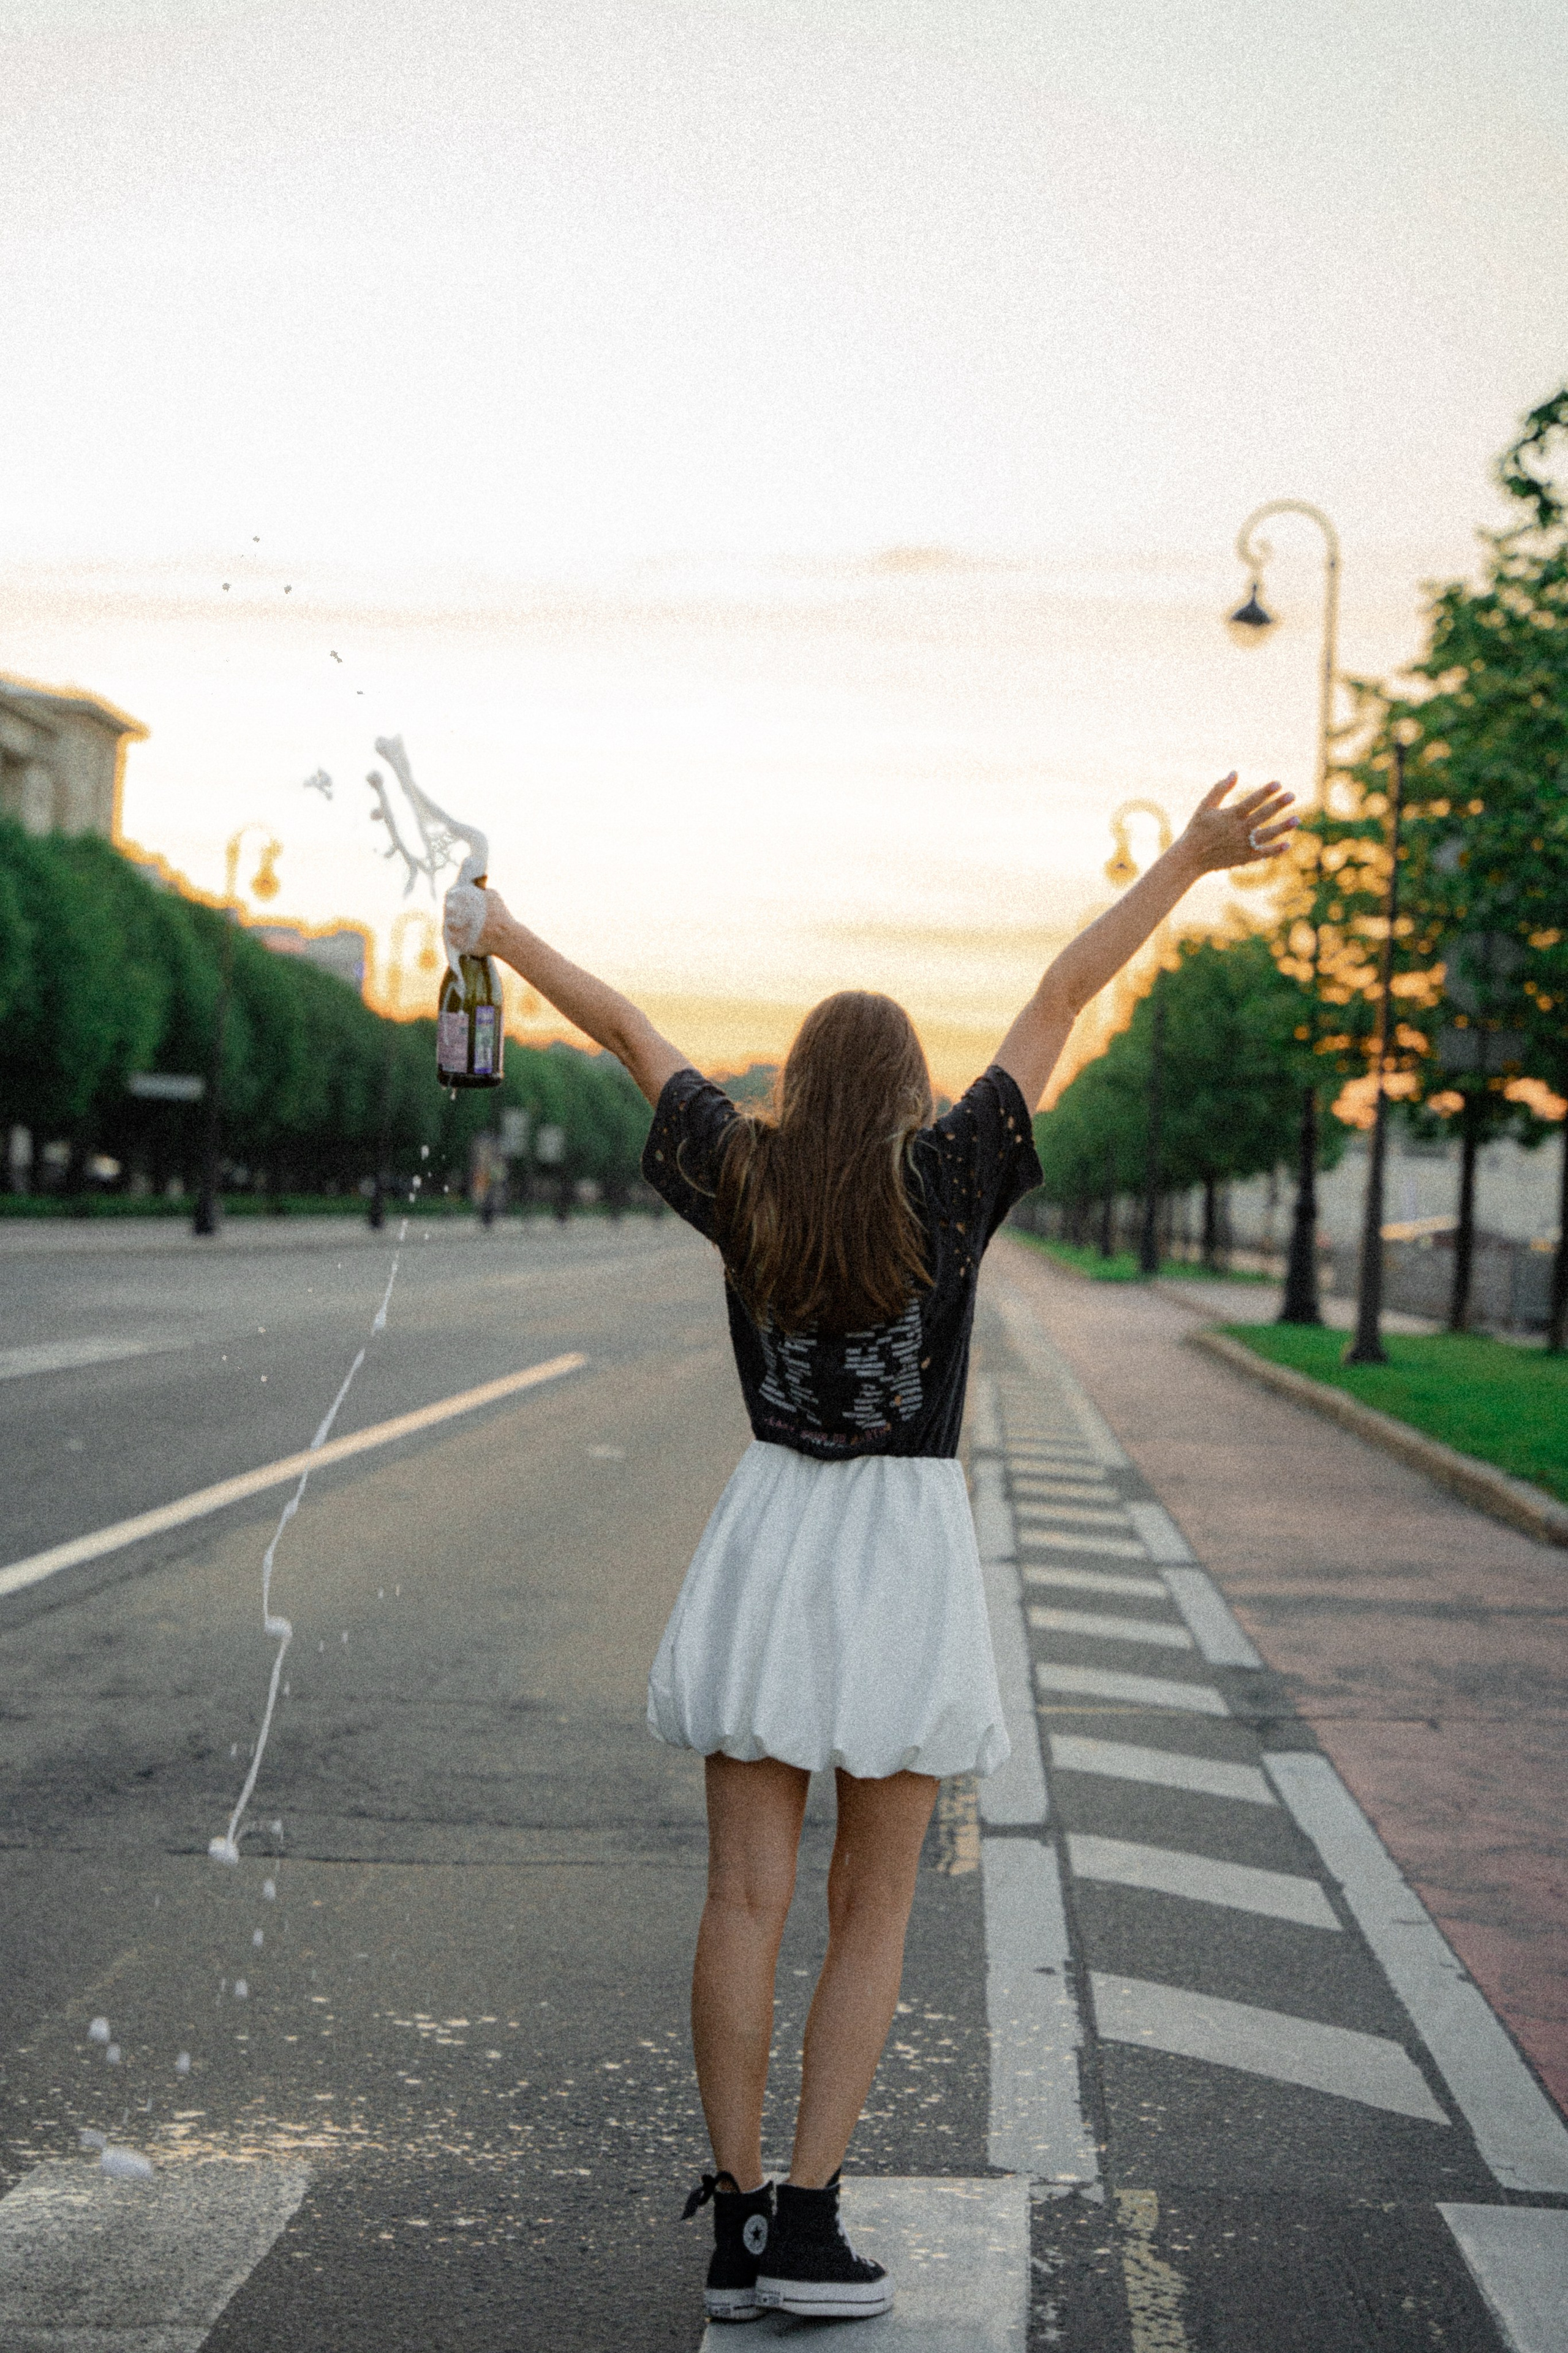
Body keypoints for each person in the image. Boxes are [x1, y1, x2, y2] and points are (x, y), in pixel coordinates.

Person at [443, 774, 1295, 2324]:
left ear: (797, 1081)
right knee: (871, 1904)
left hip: (769, 1532)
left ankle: (733, 2225)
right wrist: (1184, 859)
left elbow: (626, 1030)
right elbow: (1061, 990)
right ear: (907, 1090)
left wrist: (499, 935)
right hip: (900, 1542)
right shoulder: (949, 1180)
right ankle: (811, 2222)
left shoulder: (743, 1176)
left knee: (741, 1899)